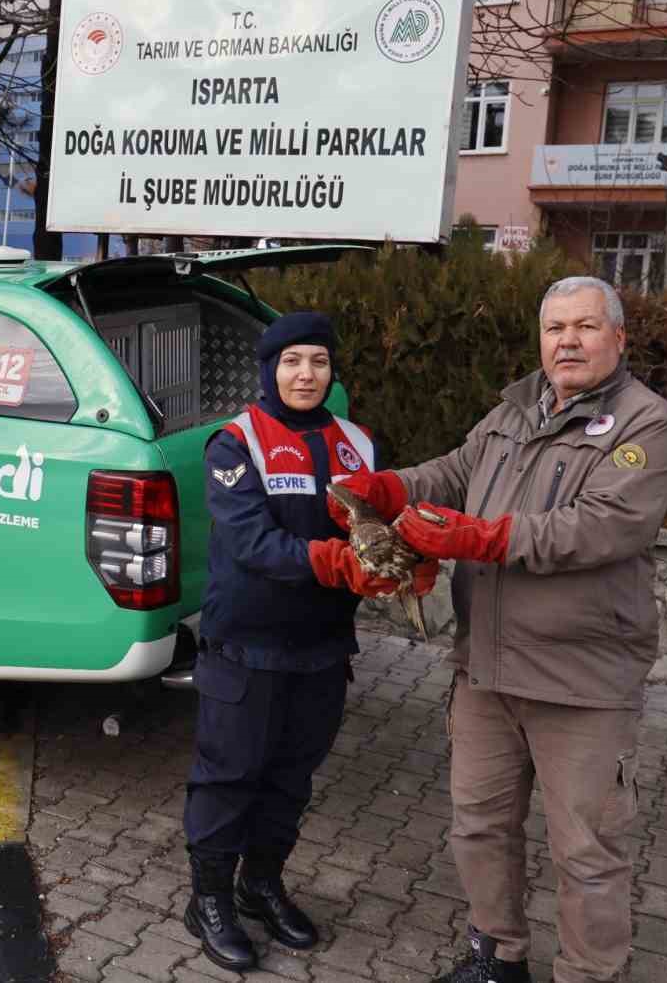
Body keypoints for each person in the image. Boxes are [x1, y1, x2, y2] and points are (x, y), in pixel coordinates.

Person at [334, 276, 667, 983]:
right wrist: (391, 488)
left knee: (586, 852)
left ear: (619, 338)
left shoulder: (648, 423)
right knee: (479, 827)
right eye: (556, 329)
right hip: (486, 671)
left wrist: (484, 538)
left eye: (586, 327)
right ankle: (497, 958)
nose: (569, 341)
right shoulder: (513, 412)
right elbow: (455, 472)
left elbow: (606, 526)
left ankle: (587, 974)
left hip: (581, 682)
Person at [185, 311, 439, 972]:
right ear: (270, 368)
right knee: (229, 777)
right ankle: (207, 898)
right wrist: (336, 563)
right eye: (293, 361)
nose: (307, 374)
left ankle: (260, 884)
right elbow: (250, 544)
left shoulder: (358, 443)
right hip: (246, 644)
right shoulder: (236, 443)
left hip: (323, 647)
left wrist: (399, 564)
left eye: (319, 362)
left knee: (292, 778)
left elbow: (379, 526)